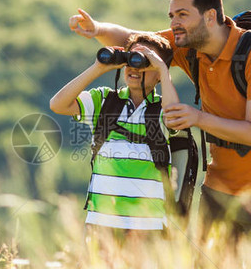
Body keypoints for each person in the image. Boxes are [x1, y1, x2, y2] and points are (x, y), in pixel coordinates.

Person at [68, 0, 251, 250]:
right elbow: (134, 39)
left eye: (182, 14)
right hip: (218, 189)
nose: (173, 24)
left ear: (210, 16)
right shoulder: (190, 46)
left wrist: (198, 117)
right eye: (171, 16)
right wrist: (97, 28)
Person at [49, 32, 180, 241]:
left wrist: (163, 70)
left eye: (145, 62)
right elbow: (58, 104)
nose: (134, 67)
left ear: (158, 74)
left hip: (148, 223)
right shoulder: (104, 101)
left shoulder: (162, 108)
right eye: (131, 59)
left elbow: (174, 119)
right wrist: (98, 68)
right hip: (101, 221)